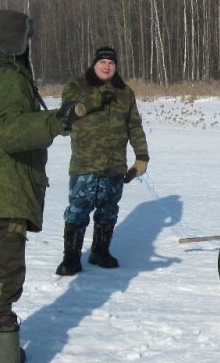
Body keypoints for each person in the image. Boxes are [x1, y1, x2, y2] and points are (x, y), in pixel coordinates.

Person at [0, 10, 80, 362]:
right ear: (15, 40)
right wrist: (56, 121)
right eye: (27, 37)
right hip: (3, 200)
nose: (30, 44)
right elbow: (10, 131)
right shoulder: (4, 76)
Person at [55, 46, 150, 276]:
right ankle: (71, 257)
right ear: (94, 64)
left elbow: (134, 125)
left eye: (111, 62)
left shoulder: (125, 93)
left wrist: (141, 156)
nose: (107, 66)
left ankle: (100, 251)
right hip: (85, 163)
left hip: (115, 164)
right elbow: (67, 112)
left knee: (108, 210)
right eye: (102, 62)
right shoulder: (77, 86)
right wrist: (98, 97)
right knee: (78, 210)